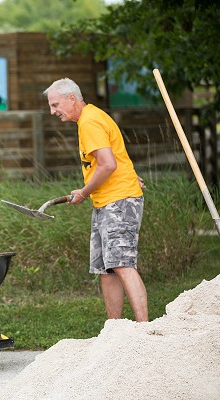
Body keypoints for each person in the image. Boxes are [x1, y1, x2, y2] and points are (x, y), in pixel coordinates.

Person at [44, 77, 149, 322]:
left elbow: (108, 164)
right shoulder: (90, 118)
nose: (52, 111)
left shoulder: (90, 121)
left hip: (119, 202)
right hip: (106, 203)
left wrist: (83, 192)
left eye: (56, 105)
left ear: (72, 98)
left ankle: (145, 331)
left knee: (122, 264)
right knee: (107, 269)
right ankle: (114, 330)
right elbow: (113, 160)